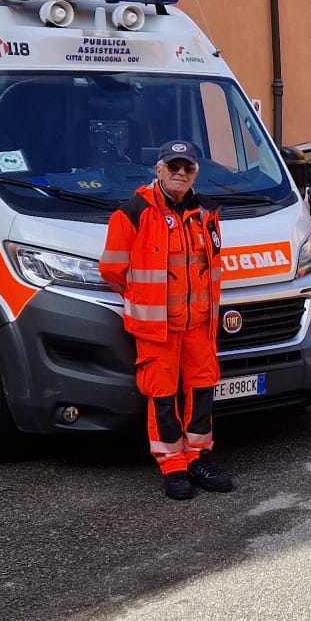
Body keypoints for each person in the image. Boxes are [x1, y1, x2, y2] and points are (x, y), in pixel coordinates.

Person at [99, 140, 233, 500]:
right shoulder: (133, 212)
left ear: (195, 173)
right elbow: (112, 270)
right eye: (173, 166)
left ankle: (197, 457)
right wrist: (145, 301)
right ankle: (172, 464)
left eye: (187, 167)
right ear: (158, 170)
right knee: (162, 396)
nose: (180, 173)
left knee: (202, 391)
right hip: (158, 327)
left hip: (200, 324)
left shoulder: (207, 211)